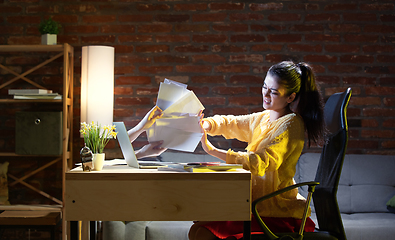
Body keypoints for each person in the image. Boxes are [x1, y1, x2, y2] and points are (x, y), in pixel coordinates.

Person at [189, 61, 326, 240]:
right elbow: (234, 123)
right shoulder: (265, 118)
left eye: (274, 92)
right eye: (264, 87)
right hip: (255, 204)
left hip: (275, 210)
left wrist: (212, 150)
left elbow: (260, 161)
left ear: (290, 97)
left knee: (202, 232)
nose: (266, 95)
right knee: (198, 227)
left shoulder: (291, 124)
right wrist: (205, 124)